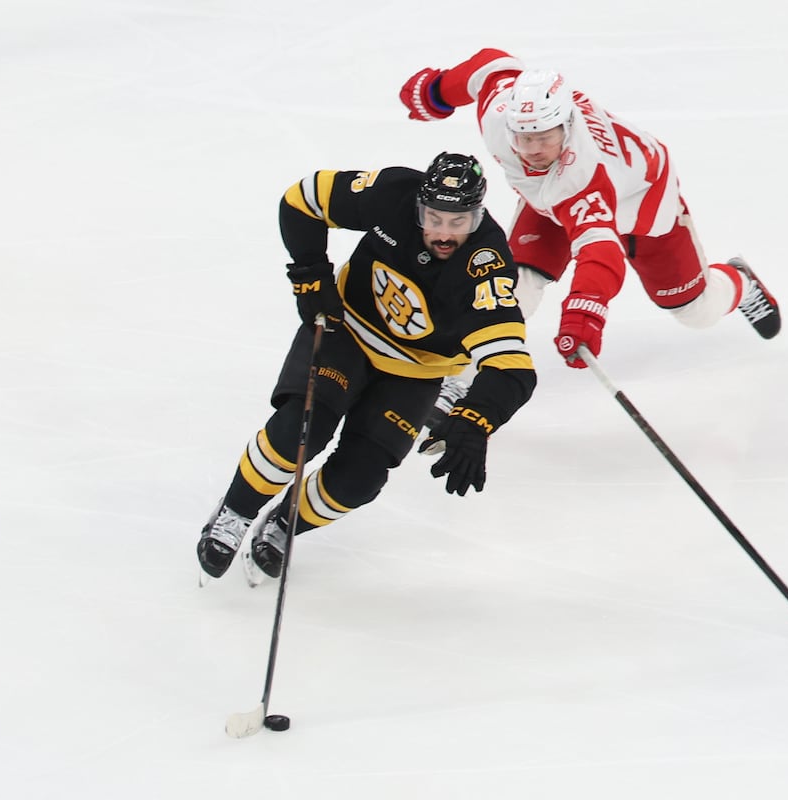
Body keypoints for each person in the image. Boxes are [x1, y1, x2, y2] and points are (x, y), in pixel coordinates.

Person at [196, 153, 537, 581]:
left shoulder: (486, 265)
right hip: (346, 331)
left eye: (459, 222)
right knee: (299, 433)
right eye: (433, 218)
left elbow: (512, 367)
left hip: (415, 371)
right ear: (419, 206)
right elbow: (302, 200)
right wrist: (309, 274)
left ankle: (285, 522)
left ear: (478, 215)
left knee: (359, 480)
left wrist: (476, 420)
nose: (444, 233)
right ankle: (236, 510)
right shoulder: (391, 194)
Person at [399, 48, 781, 385]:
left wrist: (585, 311)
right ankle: (459, 380)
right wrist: (438, 92)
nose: (533, 150)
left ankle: (740, 280)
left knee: (697, 310)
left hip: (643, 203)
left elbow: (600, 250)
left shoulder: (583, 174)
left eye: (545, 137)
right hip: (554, 204)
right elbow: (493, 66)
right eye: (524, 138)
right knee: (512, 288)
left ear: (567, 126)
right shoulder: (501, 116)